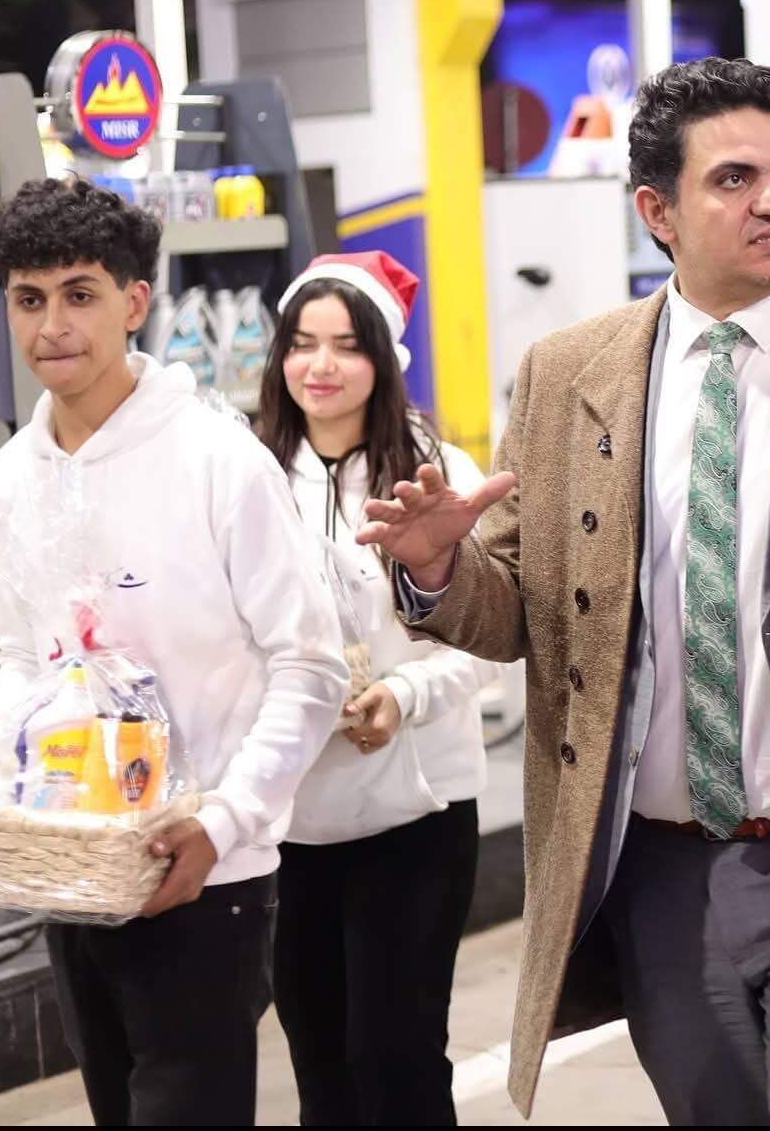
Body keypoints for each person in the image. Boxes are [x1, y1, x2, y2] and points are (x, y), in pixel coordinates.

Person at [360, 57, 770, 1123]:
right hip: (659, 873)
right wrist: (440, 566)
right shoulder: (566, 374)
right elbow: (522, 610)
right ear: (657, 212)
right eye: (733, 179)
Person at [0, 179, 347, 1125]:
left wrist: (224, 820)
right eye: (28, 298)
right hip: (77, 863)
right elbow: (23, 659)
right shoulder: (17, 471)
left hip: (204, 876)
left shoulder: (219, 459)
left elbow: (311, 667)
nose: (52, 326)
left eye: (80, 294)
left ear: (135, 301)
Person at [256, 252, 507, 1126]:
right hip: (289, 818)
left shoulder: (435, 473)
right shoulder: (248, 476)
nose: (319, 365)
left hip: (416, 812)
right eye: (301, 343)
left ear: (384, 358)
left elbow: (487, 641)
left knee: (396, 1056)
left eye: (345, 345)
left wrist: (403, 694)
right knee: (319, 1058)